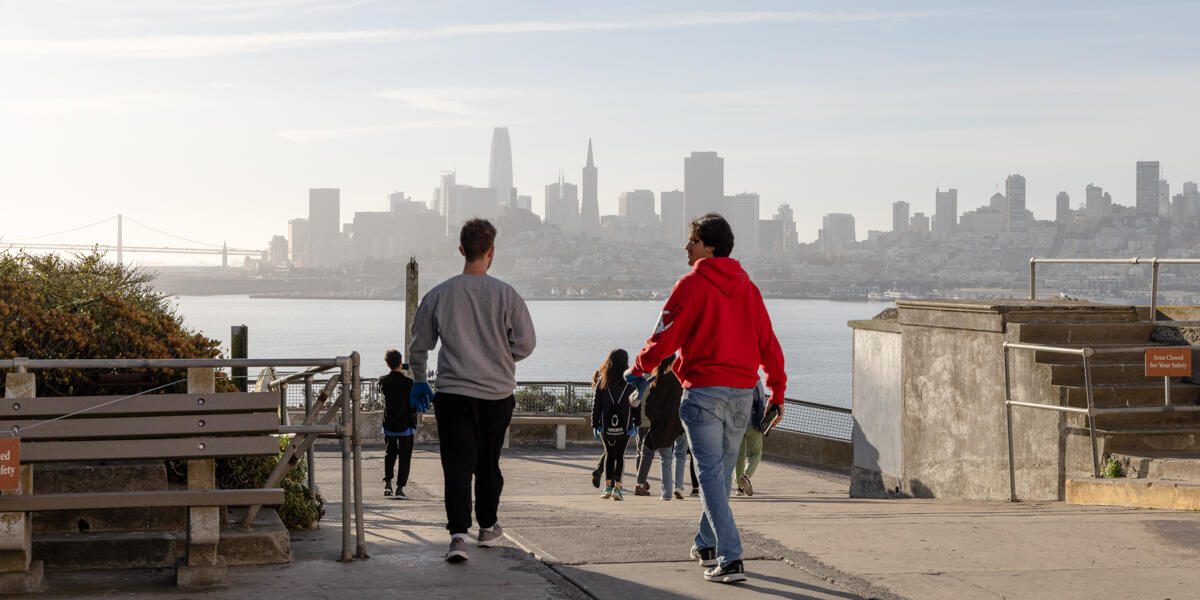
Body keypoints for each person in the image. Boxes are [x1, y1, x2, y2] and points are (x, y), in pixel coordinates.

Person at [625, 213, 786, 584]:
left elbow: (665, 335)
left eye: (692, 240)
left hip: (704, 393)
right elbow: (769, 345)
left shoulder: (693, 283)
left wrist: (639, 369)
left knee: (711, 473)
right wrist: (777, 391)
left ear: (709, 247)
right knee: (720, 473)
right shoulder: (749, 289)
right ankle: (706, 543)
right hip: (742, 394)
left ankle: (730, 558)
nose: (687, 246)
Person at [408, 218, 537, 564]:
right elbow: (526, 344)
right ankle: (488, 527)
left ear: (462, 250)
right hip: (496, 395)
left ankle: (457, 537)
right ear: (491, 252)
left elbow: (418, 344)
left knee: (457, 466)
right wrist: (500, 355)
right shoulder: (507, 295)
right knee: (488, 464)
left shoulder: (440, 294)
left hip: (452, 395)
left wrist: (420, 379)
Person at [638, 355, 688, 501]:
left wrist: (656, 421)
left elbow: (649, 405)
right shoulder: (681, 379)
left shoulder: (657, 380)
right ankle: (678, 486)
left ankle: (666, 493)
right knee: (680, 456)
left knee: (666, 459)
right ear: (673, 363)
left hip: (664, 427)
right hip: (681, 424)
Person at [591, 349, 638, 501]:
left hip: (606, 424)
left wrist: (595, 424)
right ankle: (618, 488)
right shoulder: (630, 381)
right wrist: (637, 423)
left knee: (609, 455)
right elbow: (636, 403)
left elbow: (596, 404)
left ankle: (607, 487)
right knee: (620, 456)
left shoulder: (603, 380)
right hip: (625, 425)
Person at [380, 349, 416, 499]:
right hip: (406, 424)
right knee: (405, 456)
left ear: (387, 363)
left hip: (389, 423)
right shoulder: (409, 382)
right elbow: (412, 403)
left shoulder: (383, 380)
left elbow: (383, 390)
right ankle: (400, 488)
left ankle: (387, 483)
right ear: (401, 362)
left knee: (390, 453)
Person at [735, 381, 767, 497]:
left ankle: (740, 488)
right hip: (753, 424)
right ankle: (746, 476)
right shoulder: (756, 381)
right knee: (756, 453)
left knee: (739, 456)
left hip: (737, 424)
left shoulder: (734, 378)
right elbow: (762, 400)